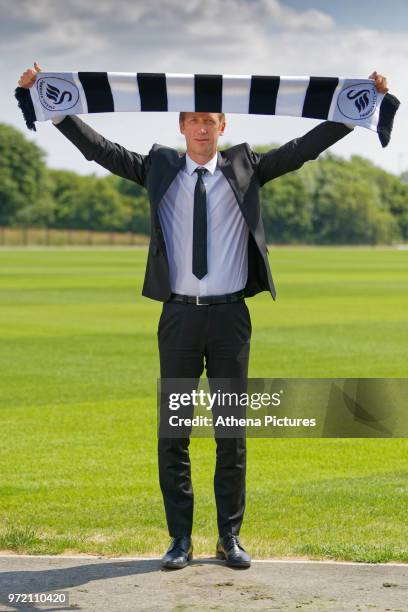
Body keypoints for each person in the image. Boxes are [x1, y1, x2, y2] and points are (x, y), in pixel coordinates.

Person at [18, 63, 389, 570]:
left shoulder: (247, 167)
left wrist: (354, 111)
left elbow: (303, 150)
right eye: (192, 120)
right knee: (174, 431)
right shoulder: (160, 168)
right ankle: (179, 541)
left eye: (209, 120)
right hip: (179, 321)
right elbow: (100, 151)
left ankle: (229, 539)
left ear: (222, 127)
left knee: (230, 433)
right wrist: (55, 109)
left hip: (229, 319)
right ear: (180, 126)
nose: (200, 128)